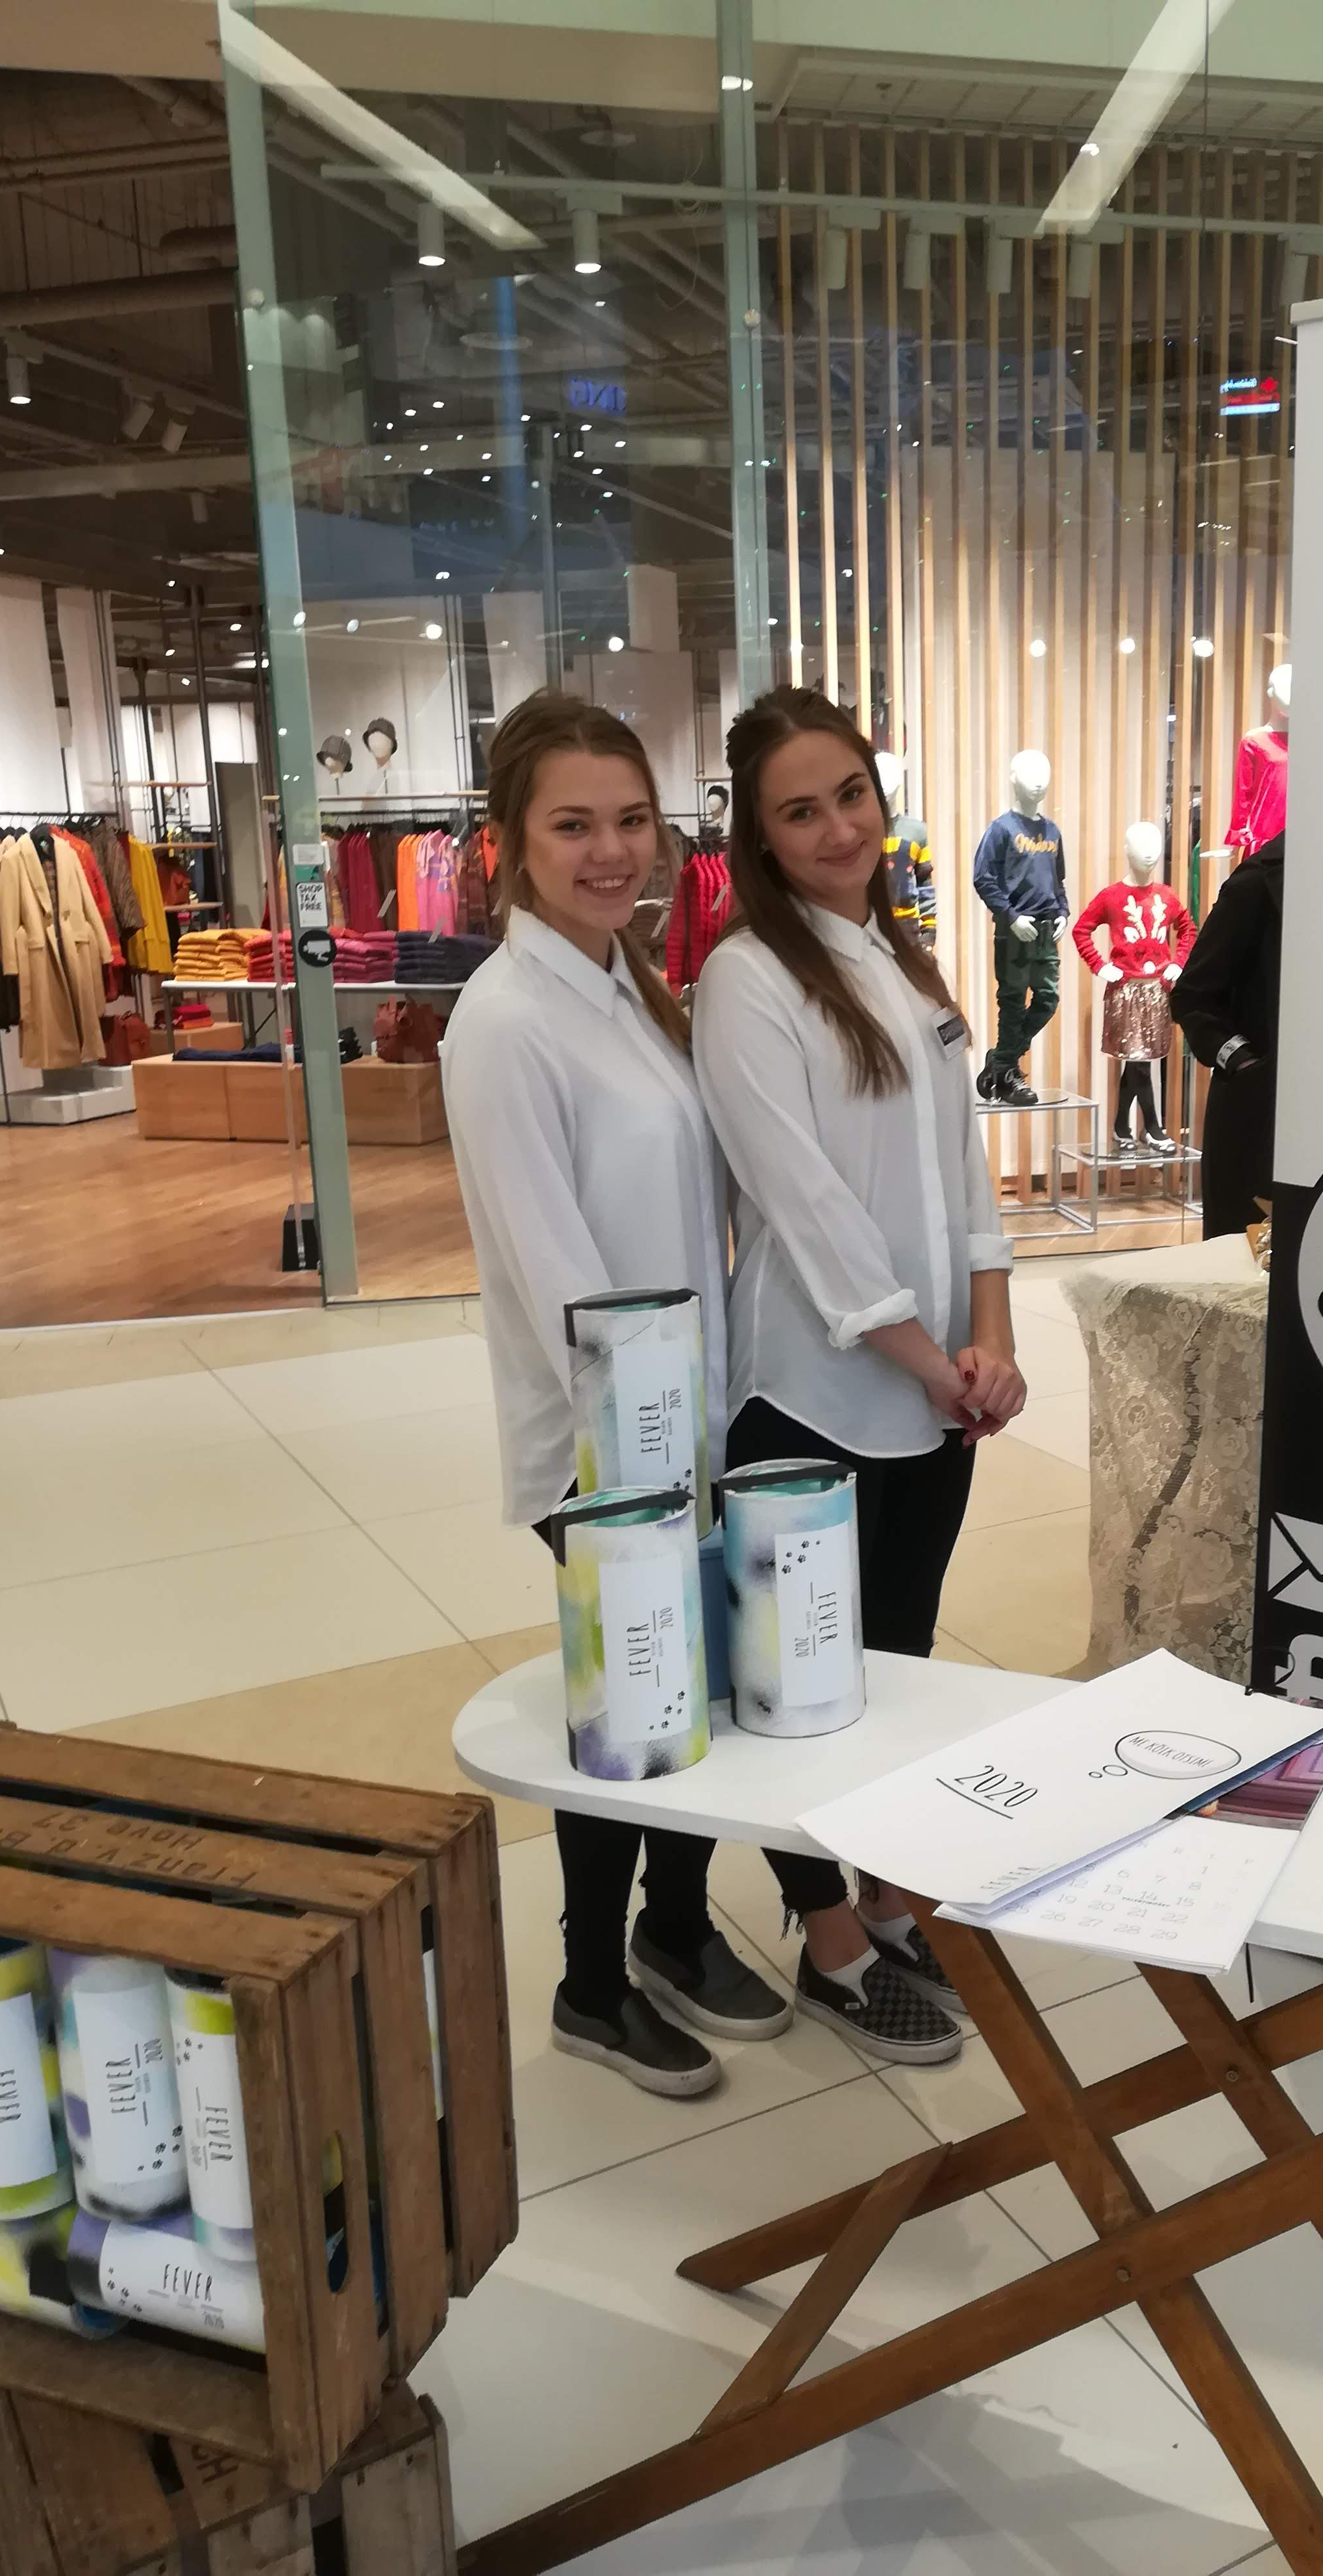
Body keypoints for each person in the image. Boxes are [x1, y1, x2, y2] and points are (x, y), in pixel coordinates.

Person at [441, 692, 791, 2099]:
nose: (610, 851)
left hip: (683, 1419)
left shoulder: (631, 983)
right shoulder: (507, 1020)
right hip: (607, 1441)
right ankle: (592, 1985)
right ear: (509, 844)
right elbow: (556, 1272)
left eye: (632, 820)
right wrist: (644, 1470)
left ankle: (675, 1928)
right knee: (630, 1713)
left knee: (683, 1694)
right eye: (573, 824)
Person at [693, 686, 1029, 2065]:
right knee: (801, 1682)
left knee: (898, 1656)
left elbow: (965, 1174)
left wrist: (994, 1337)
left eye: (852, 794)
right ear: (761, 838)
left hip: (935, 1387)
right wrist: (932, 1361)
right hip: (813, 1391)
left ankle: (890, 1895)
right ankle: (828, 1935)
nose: (839, 828)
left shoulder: (906, 956)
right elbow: (810, 1209)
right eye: (802, 810)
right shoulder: (747, 981)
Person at [1169, 828, 1283, 1257]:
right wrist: (1245, 1063)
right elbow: (1193, 997)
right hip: (1260, 1123)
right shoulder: (1258, 882)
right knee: (1244, 1273)